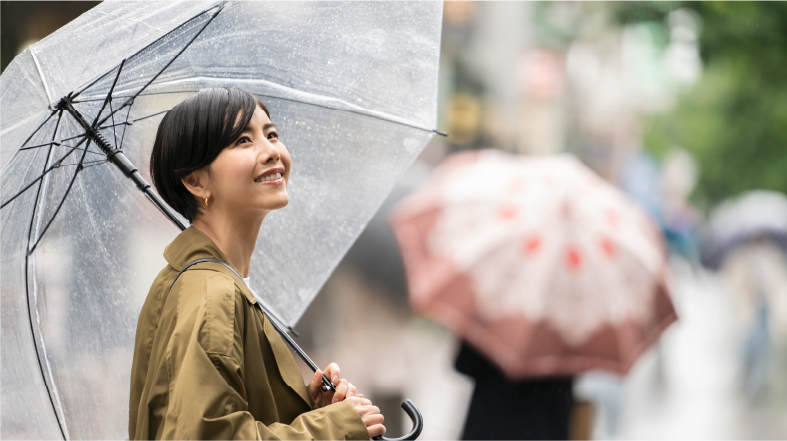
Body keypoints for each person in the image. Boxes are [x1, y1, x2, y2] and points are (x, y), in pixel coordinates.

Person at [128, 88, 385, 440]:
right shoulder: (212, 295)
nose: (271, 152)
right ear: (196, 181)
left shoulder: (210, 281)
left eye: (272, 134)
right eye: (243, 140)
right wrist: (332, 427)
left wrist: (305, 408)